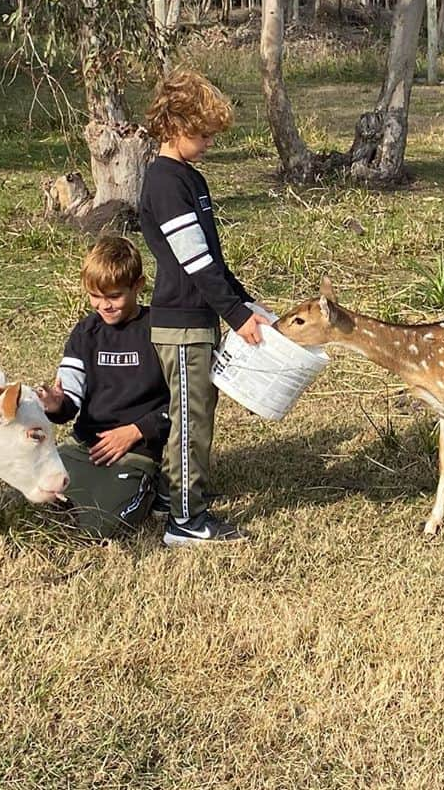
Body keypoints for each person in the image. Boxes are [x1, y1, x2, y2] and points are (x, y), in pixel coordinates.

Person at [140, 69, 272, 546]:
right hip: (180, 323)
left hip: (200, 320)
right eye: (202, 134)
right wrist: (236, 316)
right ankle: (186, 518)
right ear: (173, 125)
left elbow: (213, 258)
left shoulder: (189, 178)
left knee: (197, 412)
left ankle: (172, 496)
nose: (209, 143)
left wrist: (242, 302)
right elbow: (195, 264)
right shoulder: (165, 183)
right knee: (190, 419)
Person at [37, 235, 171, 537]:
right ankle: (84, 495)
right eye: (95, 296)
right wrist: (54, 404)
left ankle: (156, 486)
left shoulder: (160, 329)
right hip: (84, 448)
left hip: (137, 451)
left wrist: (135, 431)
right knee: (23, 502)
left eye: (113, 296)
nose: (103, 305)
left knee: (104, 527)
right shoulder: (86, 332)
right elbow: (68, 402)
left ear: (138, 285)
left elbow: (184, 402)